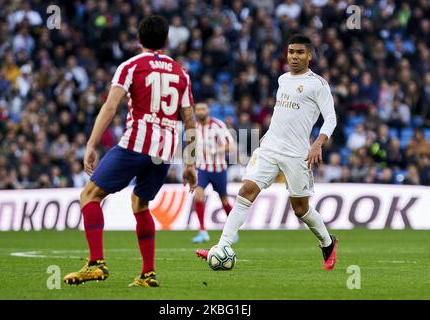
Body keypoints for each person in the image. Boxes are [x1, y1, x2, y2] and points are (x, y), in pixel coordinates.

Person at [63, 15, 197, 288]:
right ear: (167, 40)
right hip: (166, 149)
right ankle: (148, 274)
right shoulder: (181, 72)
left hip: (137, 143)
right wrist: (191, 163)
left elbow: (110, 107)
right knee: (140, 203)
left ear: (139, 39)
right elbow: (190, 119)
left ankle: (96, 264)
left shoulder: (130, 66)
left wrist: (91, 143)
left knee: (89, 195)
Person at [196, 34, 339, 270]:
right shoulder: (283, 79)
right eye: (291, 51)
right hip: (270, 147)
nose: (294, 56)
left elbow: (331, 118)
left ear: (309, 56)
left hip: (297, 154)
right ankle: (222, 245)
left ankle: (327, 242)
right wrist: (269, 133)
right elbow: (283, 112)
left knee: (300, 209)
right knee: (245, 191)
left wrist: (318, 143)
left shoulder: (318, 84)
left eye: (300, 52)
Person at [192, 102, 236, 243]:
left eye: (203, 109)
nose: (200, 111)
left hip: (219, 169)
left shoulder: (218, 125)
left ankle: (233, 230)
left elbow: (231, 146)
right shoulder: (193, 127)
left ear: (208, 110)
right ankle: (203, 231)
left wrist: (214, 151)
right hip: (202, 169)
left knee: (224, 200)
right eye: (198, 109)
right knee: (198, 195)